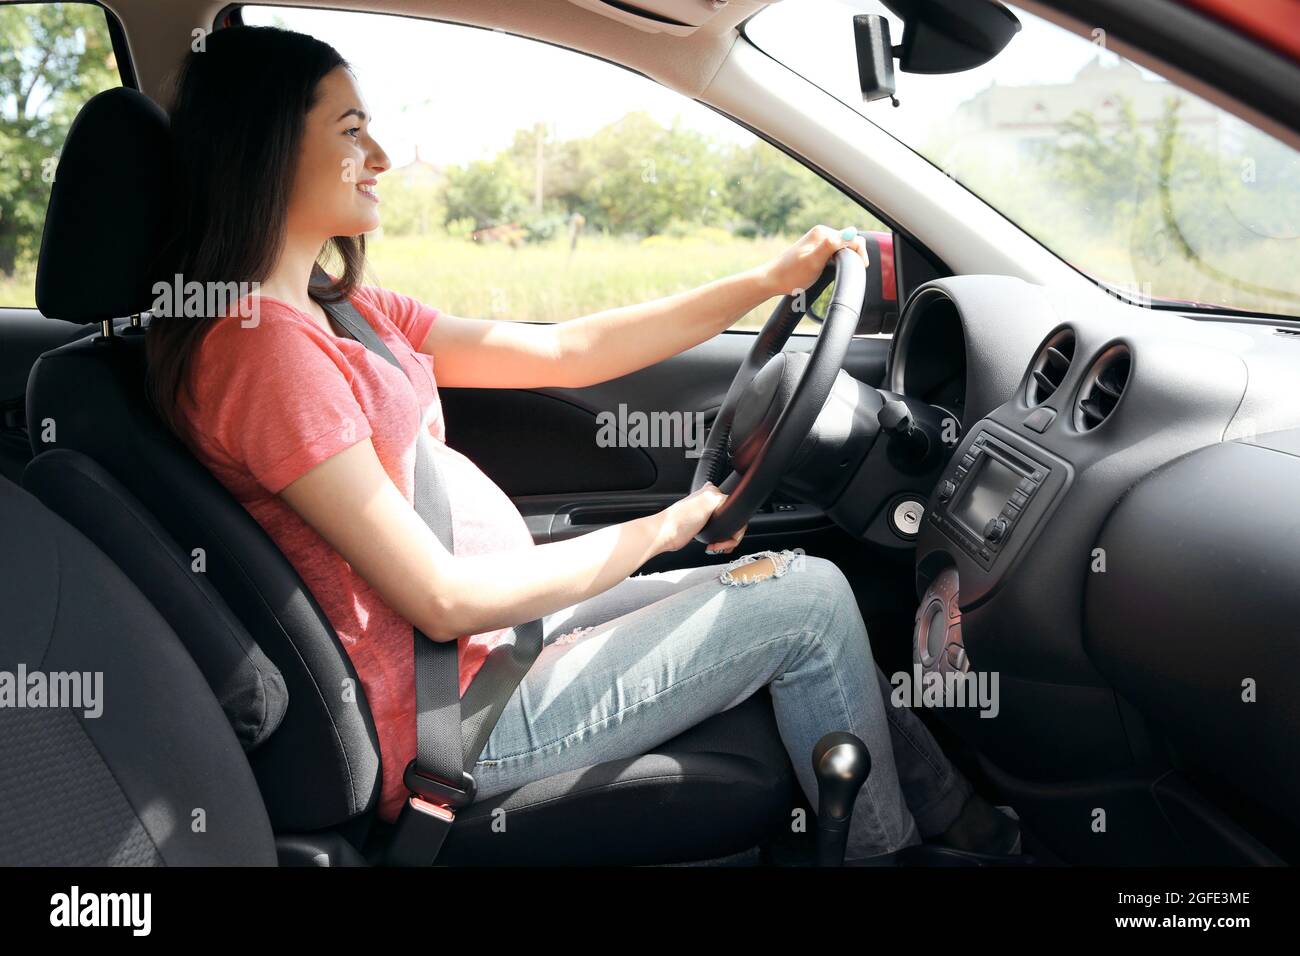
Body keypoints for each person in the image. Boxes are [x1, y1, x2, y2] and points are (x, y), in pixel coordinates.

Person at [145, 25, 1017, 861]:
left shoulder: (345, 312)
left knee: (792, 580)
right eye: (351, 131)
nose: (379, 158)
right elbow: (443, 598)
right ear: (264, 149)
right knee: (813, 601)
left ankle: (958, 822)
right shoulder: (261, 351)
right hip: (457, 709)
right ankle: (890, 851)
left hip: (499, 642)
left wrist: (764, 283)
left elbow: (571, 350)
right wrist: (660, 531)